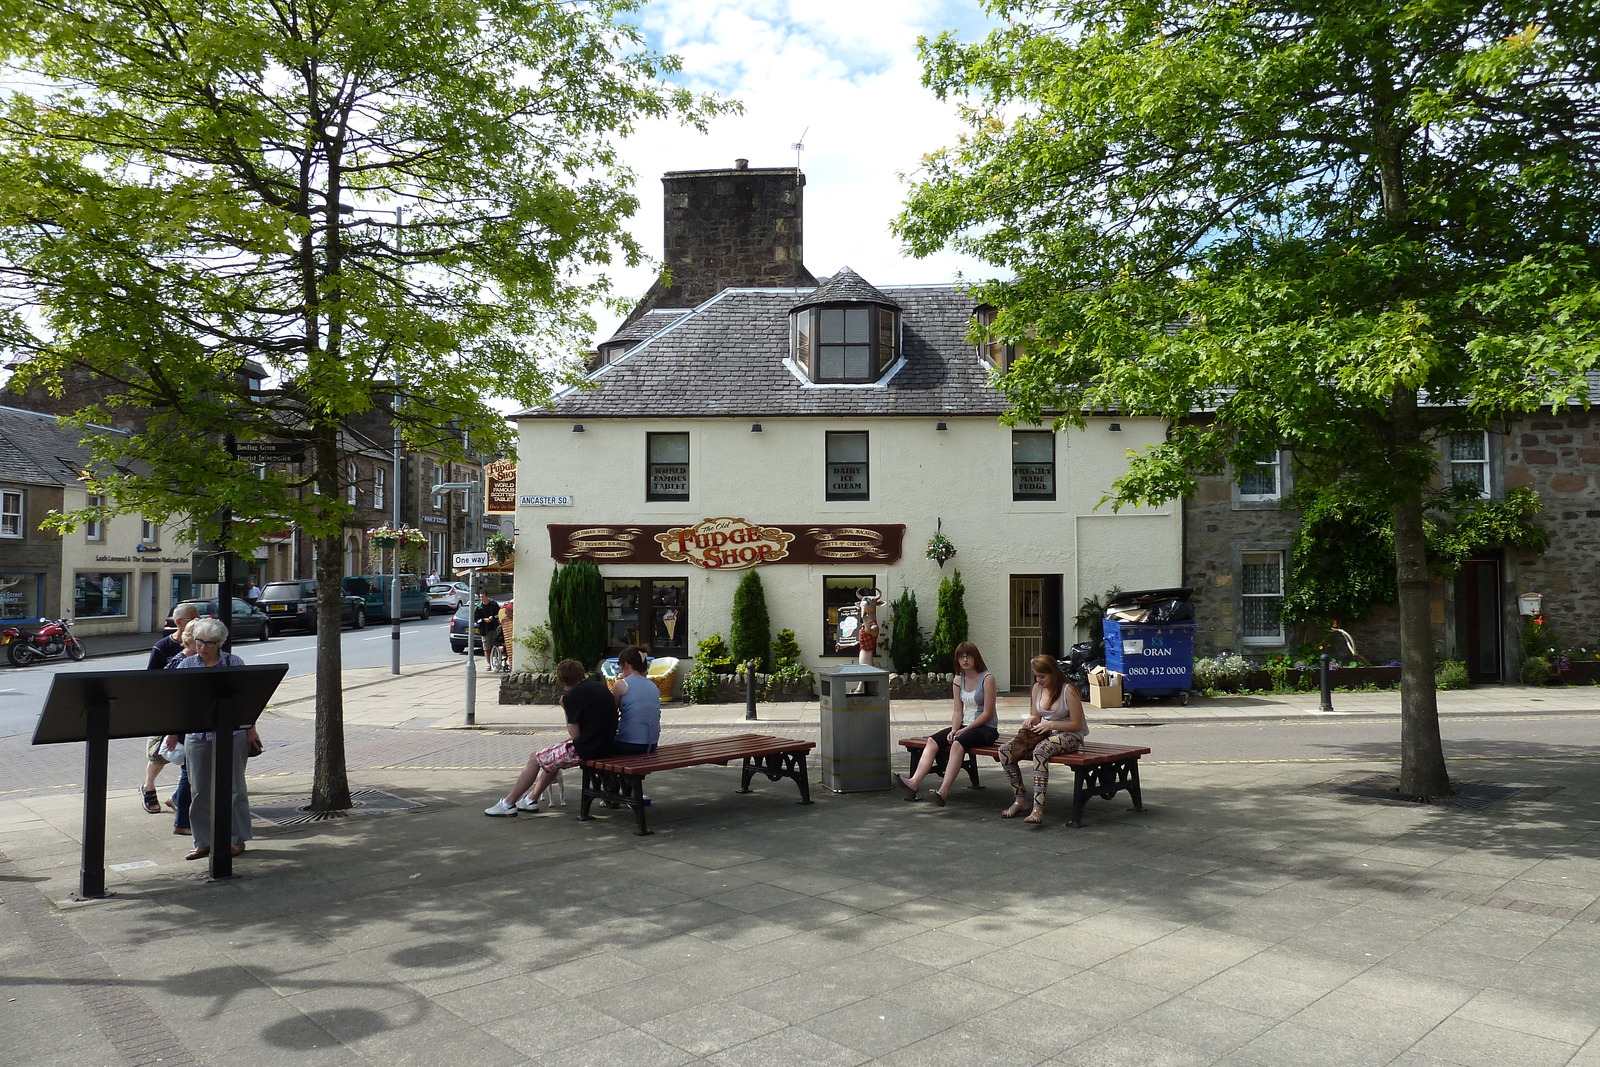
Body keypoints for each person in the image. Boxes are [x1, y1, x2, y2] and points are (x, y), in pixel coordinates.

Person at [164, 618, 259, 860]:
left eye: (209, 643)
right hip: (197, 735)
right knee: (199, 790)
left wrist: (250, 730)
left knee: (235, 788)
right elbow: (176, 701)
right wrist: (173, 731)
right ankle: (203, 841)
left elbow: (246, 701)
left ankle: (236, 839)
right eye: (199, 642)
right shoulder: (186, 665)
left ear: (219, 643)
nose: (203, 648)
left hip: (232, 733)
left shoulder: (233, 663)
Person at [485, 659, 616, 816]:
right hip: (608, 745)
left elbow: (574, 734)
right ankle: (530, 799)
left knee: (534, 758)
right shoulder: (600, 687)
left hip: (588, 749)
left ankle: (508, 803)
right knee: (550, 758)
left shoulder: (572, 696)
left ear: (563, 680)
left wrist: (565, 708)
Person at [894, 642, 999, 806]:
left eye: (968, 656)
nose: (964, 660)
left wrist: (963, 732)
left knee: (957, 744)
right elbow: (958, 711)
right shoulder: (958, 680)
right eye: (961, 656)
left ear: (975, 657)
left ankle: (943, 791)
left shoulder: (987, 678)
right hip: (965, 726)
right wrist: (955, 729)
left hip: (986, 729)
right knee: (932, 740)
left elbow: (987, 713)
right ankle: (913, 782)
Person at [999, 654, 1088, 824]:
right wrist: (1031, 720)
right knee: (1004, 750)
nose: (1038, 680)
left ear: (1053, 673)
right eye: (1036, 676)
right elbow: (1036, 714)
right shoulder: (1037, 688)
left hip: (1069, 735)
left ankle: (1038, 808)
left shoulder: (1068, 690)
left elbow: (1077, 724)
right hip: (1044, 732)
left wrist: (1051, 724)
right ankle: (1020, 799)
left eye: (1042, 676)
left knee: (1040, 752)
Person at [140, 603, 200, 813]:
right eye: (194, 618)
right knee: (161, 754)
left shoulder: (202, 644)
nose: (198, 621)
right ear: (179, 623)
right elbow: (151, 681)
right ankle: (148, 787)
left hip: (189, 711)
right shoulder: (163, 648)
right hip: (164, 708)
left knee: (190, 757)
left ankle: (177, 798)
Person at [610, 645, 661, 754]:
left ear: (626, 665)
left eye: (620, 666)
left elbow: (611, 714)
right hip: (651, 744)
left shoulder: (621, 684)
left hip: (628, 744)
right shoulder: (653, 686)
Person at [473, 591, 500, 669]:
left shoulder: (494, 604)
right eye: (480, 597)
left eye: (483, 596)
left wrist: (493, 617)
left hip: (495, 628)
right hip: (485, 630)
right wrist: (483, 619)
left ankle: (496, 661)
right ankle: (488, 663)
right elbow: (476, 620)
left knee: (496, 646)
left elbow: (499, 614)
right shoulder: (478, 607)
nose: (481, 598)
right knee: (486, 647)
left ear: (487, 596)